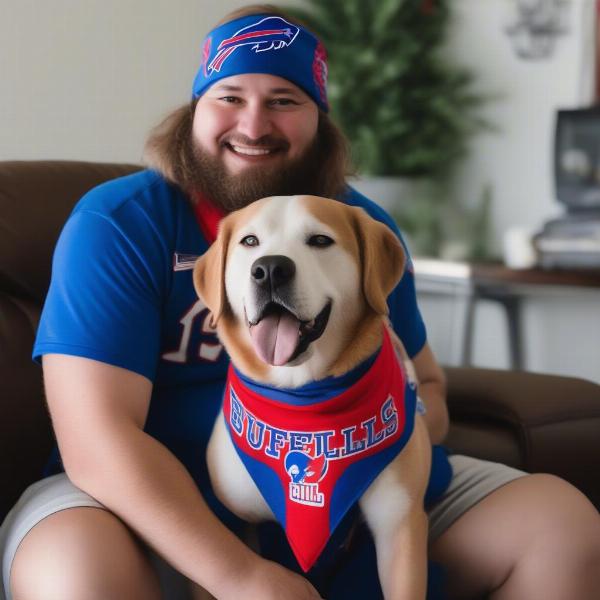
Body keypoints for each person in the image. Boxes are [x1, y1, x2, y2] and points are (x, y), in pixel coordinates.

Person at [1, 4, 599, 600]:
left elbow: (430, 393)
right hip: (150, 507)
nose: (254, 125)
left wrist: (378, 438)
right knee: (74, 574)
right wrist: (242, 576)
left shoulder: (360, 230)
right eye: (229, 97)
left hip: (353, 494)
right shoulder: (121, 223)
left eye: (284, 100)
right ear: (193, 114)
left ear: (320, 121)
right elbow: (96, 441)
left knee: (566, 531)